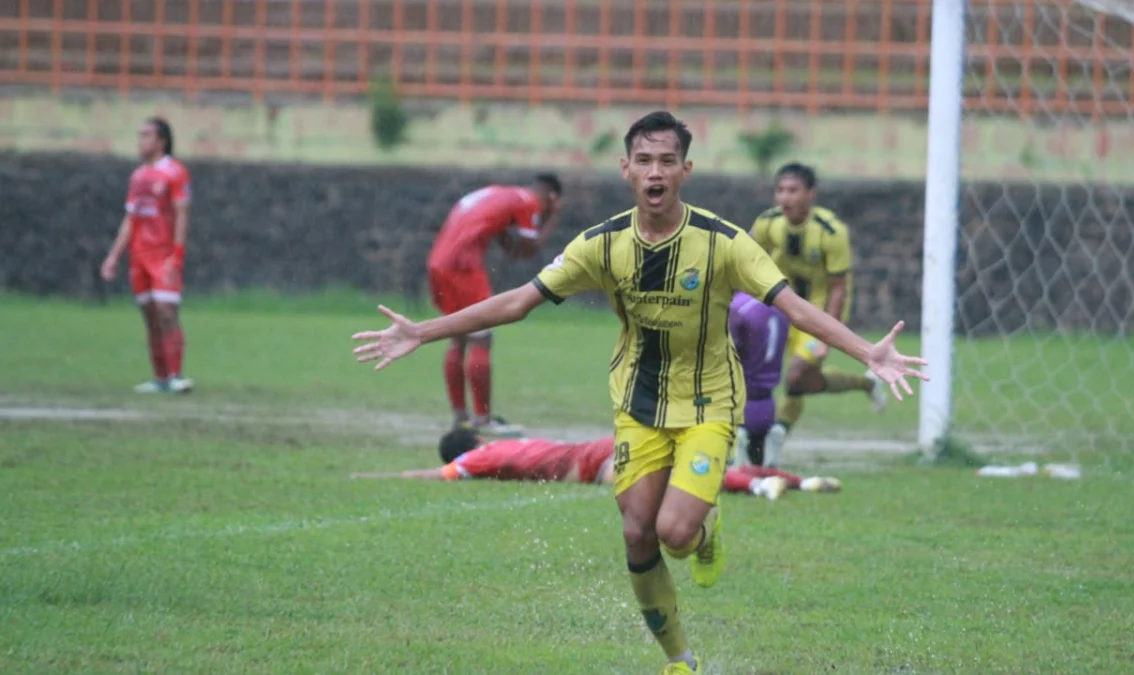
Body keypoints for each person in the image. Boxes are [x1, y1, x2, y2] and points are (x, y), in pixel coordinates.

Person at [352, 110, 927, 674]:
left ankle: (705, 528)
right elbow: (516, 301)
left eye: (668, 161)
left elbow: (793, 306)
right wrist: (422, 332)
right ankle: (680, 661)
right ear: (626, 169)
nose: (656, 172)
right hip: (638, 404)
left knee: (675, 534)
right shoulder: (601, 245)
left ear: (685, 170)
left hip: (708, 402)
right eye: (645, 160)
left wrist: (868, 351)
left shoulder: (722, 241)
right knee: (636, 530)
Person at [750, 163, 889, 442]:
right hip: (779, 310)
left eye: (793, 190)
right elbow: (745, 261)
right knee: (800, 381)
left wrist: (827, 334)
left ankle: (776, 434)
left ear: (810, 194)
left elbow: (838, 288)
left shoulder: (830, 231)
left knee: (796, 376)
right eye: (780, 190)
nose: (785, 197)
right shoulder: (767, 223)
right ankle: (865, 382)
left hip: (819, 311)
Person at [426, 175, 563, 437]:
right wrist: (554, 217)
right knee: (481, 338)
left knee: (457, 338)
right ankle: (483, 418)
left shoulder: (499, 193)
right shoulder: (529, 202)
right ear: (550, 197)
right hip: (464, 265)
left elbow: (509, 248)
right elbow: (527, 251)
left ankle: (460, 417)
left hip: (439, 262)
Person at [351, 427, 843, 498]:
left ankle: (759, 489)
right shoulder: (507, 442)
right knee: (694, 474)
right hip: (597, 447)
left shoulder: (474, 461)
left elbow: (437, 476)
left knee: (675, 488)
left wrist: (377, 476)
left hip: (596, 460)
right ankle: (798, 481)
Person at [100, 117, 194, 394]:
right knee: (150, 316)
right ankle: (161, 378)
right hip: (139, 256)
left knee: (167, 312)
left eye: (146, 136)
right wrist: (113, 256)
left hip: (163, 255)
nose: (141, 141)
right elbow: (131, 219)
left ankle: (177, 375)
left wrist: (176, 257)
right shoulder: (138, 176)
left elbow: (182, 215)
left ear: (161, 141)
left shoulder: (175, 173)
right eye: (140, 135)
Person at [728, 291, 790, 468]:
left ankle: (736, 440)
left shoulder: (736, 306)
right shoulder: (779, 305)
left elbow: (728, 353)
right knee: (758, 467)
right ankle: (770, 433)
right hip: (766, 403)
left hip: (736, 404)